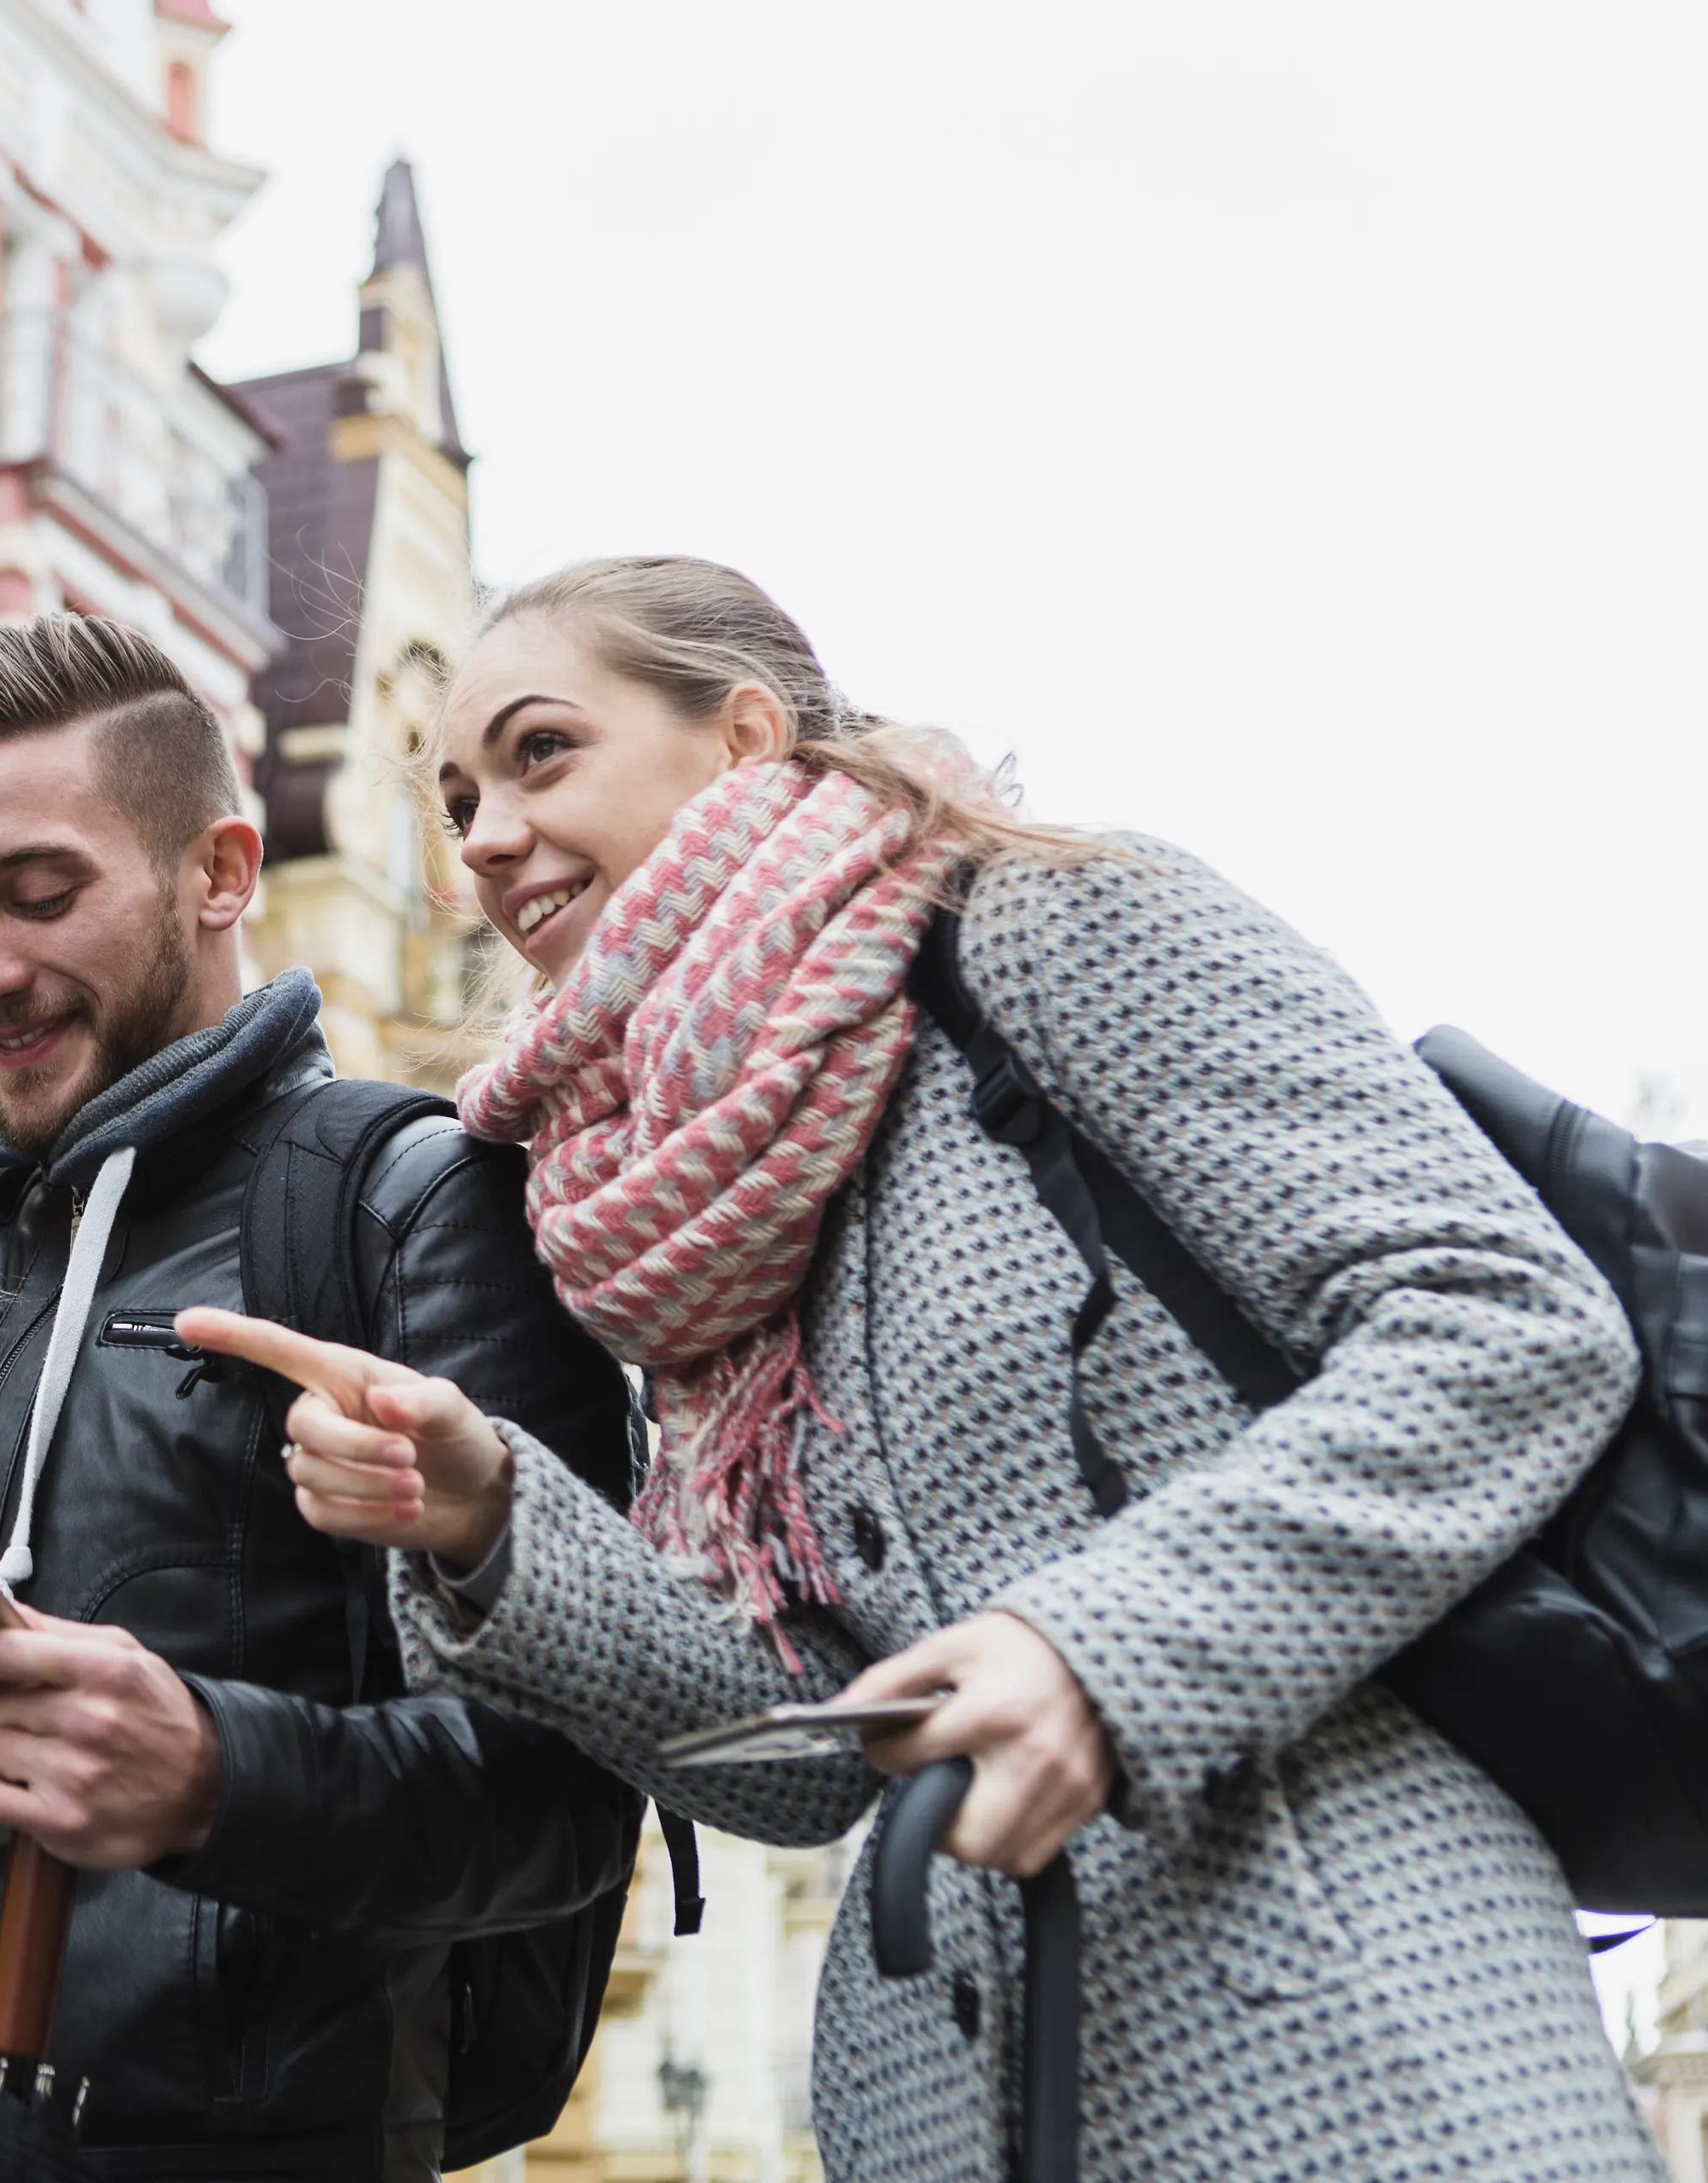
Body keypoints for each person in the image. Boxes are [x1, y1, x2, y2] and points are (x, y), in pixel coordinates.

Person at [183, 556, 1661, 2181]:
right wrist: (485, 1521)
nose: (489, 836)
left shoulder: (1052, 920)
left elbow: (1502, 1317)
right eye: (459, 801)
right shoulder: (673, 1206)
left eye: (542, 752)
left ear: (743, 737)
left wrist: (1091, 1649)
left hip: (1340, 2019)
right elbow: (813, 1757)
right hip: (949, 2097)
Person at [0, 615, 646, 2182]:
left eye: (42, 897)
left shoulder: (418, 1203)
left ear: (221, 873)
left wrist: (215, 1777)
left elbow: (563, 1807)